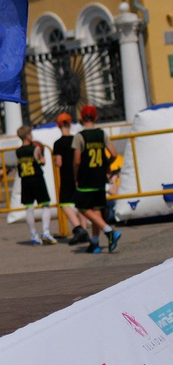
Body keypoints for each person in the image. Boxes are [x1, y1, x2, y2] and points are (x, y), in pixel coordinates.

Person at [73, 105, 122, 254]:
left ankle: (109, 231)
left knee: (82, 207)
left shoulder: (80, 136)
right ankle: (94, 243)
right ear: (96, 118)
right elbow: (114, 154)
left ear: (81, 118)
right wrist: (106, 166)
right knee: (96, 209)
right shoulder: (102, 134)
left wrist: (75, 176)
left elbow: (76, 160)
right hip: (100, 175)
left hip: (86, 176)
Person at [51, 112, 90, 244]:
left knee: (64, 203)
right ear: (70, 123)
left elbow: (59, 162)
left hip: (66, 175)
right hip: (79, 174)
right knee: (81, 203)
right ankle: (85, 229)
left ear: (58, 126)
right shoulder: (77, 139)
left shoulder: (58, 143)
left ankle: (78, 228)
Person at [15, 126, 57, 245]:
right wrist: (42, 157)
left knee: (29, 208)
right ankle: (46, 231)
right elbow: (41, 161)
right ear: (28, 136)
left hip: (25, 180)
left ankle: (33, 234)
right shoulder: (35, 148)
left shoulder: (18, 151)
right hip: (37, 178)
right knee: (45, 205)